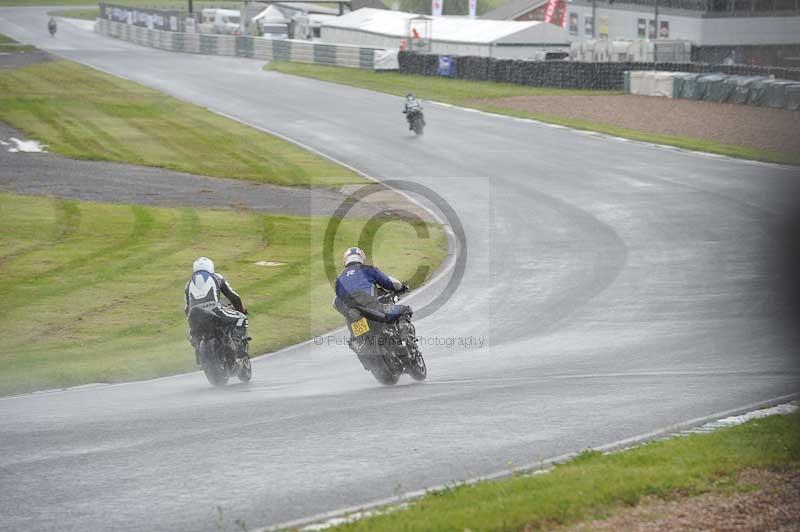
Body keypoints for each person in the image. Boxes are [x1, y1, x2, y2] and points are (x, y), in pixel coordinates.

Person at [184, 257, 248, 363]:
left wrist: (191, 321)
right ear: (211, 267)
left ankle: (198, 354)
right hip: (215, 311)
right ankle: (237, 345)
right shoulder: (217, 277)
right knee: (242, 318)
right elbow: (234, 297)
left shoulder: (188, 285)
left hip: (194, 316)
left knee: (192, 336)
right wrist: (240, 310)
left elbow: (187, 308)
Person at [333, 247, 411, 331]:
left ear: (345, 260)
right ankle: (405, 337)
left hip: (352, 315)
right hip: (372, 308)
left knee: (353, 336)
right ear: (361, 258)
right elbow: (388, 282)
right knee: (404, 310)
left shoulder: (339, 280)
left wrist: (347, 312)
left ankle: (355, 341)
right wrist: (402, 287)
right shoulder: (368, 270)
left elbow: (337, 302)